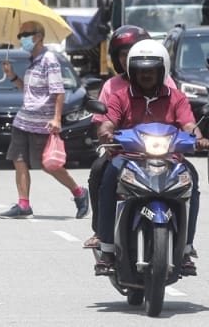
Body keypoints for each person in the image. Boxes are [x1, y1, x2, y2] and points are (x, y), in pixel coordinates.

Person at [93, 39, 207, 276]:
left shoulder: (176, 97)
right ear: (132, 72)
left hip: (169, 158)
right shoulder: (120, 96)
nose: (146, 75)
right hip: (128, 157)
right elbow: (108, 121)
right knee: (108, 176)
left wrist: (199, 137)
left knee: (192, 179)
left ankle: (186, 249)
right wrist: (106, 132)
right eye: (141, 70)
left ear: (161, 70)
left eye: (151, 70)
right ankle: (106, 249)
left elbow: (188, 123)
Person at [83, 25, 172, 250]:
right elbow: (100, 122)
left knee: (189, 180)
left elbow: (182, 118)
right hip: (123, 151)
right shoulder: (112, 86)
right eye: (123, 54)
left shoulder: (166, 83)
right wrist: (108, 141)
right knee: (98, 171)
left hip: (162, 150)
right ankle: (101, 232)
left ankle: (184, 244)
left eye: (132, 52)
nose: (128, 58)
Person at [0, 20, 89, 219]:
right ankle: (23, 204)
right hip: (22, 121)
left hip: (42, 124)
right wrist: (12, 76)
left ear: (38, 36)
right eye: (20, 35)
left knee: (48, 165)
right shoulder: (33, 61)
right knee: (19, 160)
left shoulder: (50, 60)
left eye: (25, 34)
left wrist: (57, 119)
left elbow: (58, 92)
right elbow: (29, 92)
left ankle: (79, 193)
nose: (21, 39)